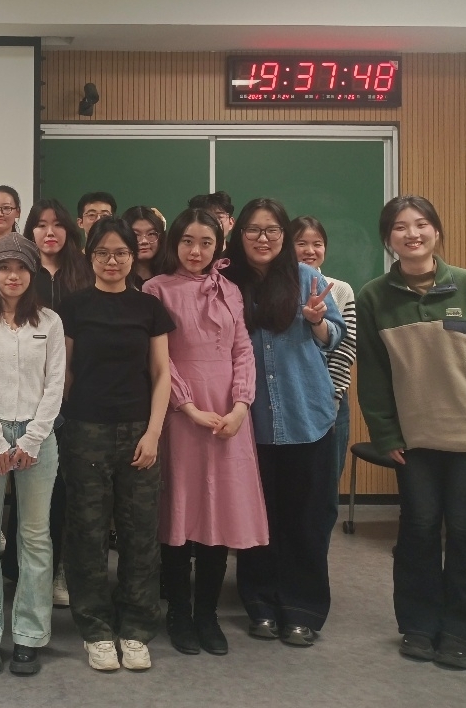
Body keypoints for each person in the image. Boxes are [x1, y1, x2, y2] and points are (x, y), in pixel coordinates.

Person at [357, 195, 466, 670]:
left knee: (465, 531)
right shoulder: (374, 296)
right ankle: (418, 625)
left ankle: (461, 631)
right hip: (416, 439)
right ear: (388, 237)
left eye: (421, 224)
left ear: (436, 231)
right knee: (417, 529)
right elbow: (372, 374)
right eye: (400, 227)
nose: (412, 234)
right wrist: (385, 434)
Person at [142, 208, 268, 657]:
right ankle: (179, 612)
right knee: (180, 513)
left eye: (206, 243)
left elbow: (242, 349)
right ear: (174, 243)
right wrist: (189, 407)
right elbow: (160, 359)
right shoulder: (156, 289)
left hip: (229, 417)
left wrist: (241, 405)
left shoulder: (230, 289)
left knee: (221, 514)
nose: (196, 251)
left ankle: (207, 615)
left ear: (219, 246)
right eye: (187, 241)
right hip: (181, 414)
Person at [222, 197, 345, 649]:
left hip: (304, 413)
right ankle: (260, 604)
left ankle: (302, 609)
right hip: (249, 419)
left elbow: (334, 338)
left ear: (284, 236)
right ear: (240, 235)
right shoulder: (226, 283)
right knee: (258, 518)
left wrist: (316, 322)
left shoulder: (308, 278)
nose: (263, 238)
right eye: (254, 230)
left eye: (273, 230)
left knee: (305, 519)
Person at [58, 216, 173, 673]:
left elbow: (162, 374)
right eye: (103, 253)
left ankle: (137, 628)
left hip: (139, 432)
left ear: (133, 255)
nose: (112, 261)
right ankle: (96, 629)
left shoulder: (149, 307)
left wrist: (153, 432)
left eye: (121, 253)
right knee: (86, 533)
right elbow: (65, 372)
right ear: (90, 257)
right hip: (85, 431)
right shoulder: (73, 306)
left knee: (140, 533)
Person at [0, 236, 65, 676]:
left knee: (35, 536)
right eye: (4, 267)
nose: (13, 275)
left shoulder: (50, 321)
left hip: (38, 437)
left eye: (21, 268)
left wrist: (33, 439)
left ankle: (29, 635)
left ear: (32, 273)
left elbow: (55, 384)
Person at [10, 199, 91, 606]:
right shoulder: (22, 272)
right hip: (26, 395)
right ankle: (19, 571)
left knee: (69, 488)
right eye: (40, 225)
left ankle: (61, 569)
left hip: (79, 392)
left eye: (57, 224)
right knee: (26, 485)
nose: (49, 232)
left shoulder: (85, 271)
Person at [292, 216, 358, 511]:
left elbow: (345, 349)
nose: (310, 250)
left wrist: (329, 399)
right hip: (289, 401)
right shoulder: (274, 289)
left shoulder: (340, 290)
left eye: (317, 244)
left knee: (324, 490)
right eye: (301, 243)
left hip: (331, 401)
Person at [122, 205, 165, 287]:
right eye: (136, 235)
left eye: (151, 234)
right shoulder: (116, 279)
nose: (144, 241)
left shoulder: (171, 277)